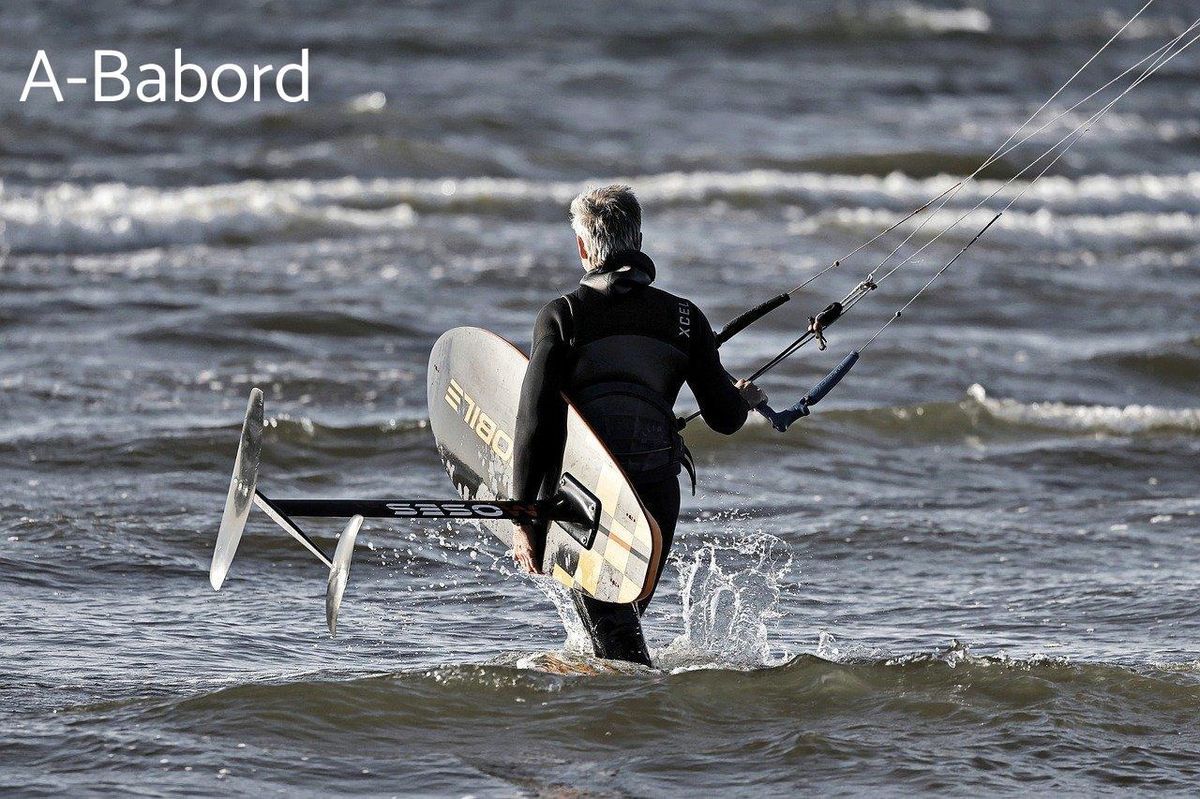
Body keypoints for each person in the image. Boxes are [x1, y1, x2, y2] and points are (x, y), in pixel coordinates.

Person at [511, 184, 766, 666]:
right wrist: (741, 398)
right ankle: (637, 726)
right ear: (640, 240)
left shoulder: (562, 316)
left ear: (584, 247)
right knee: (614, 635)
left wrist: (524, 517)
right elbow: (725, 419)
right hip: (653, 500)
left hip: (585, 498)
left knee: (618, 651)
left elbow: (534, 423)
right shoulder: (685, 317)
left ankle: (647, 724)